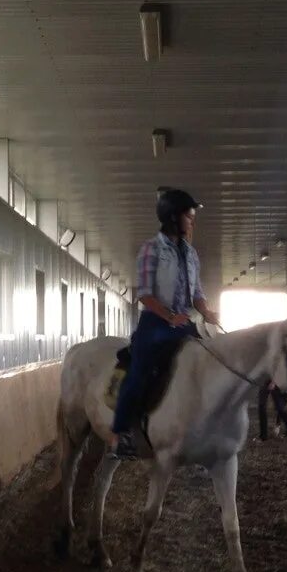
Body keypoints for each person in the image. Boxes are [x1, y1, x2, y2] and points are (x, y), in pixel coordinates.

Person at [110, 188, 219, 459]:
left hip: (184, 321)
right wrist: (169, 316)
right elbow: (145, 293)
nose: (193, 221)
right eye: (189, 216)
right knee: (140, 370)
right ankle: (120, 433)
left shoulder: (192, 254)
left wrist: (206, 312)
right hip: (156, 322)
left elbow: (197, 294)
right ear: (172, 217)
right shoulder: (151, 249)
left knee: (210, 361)